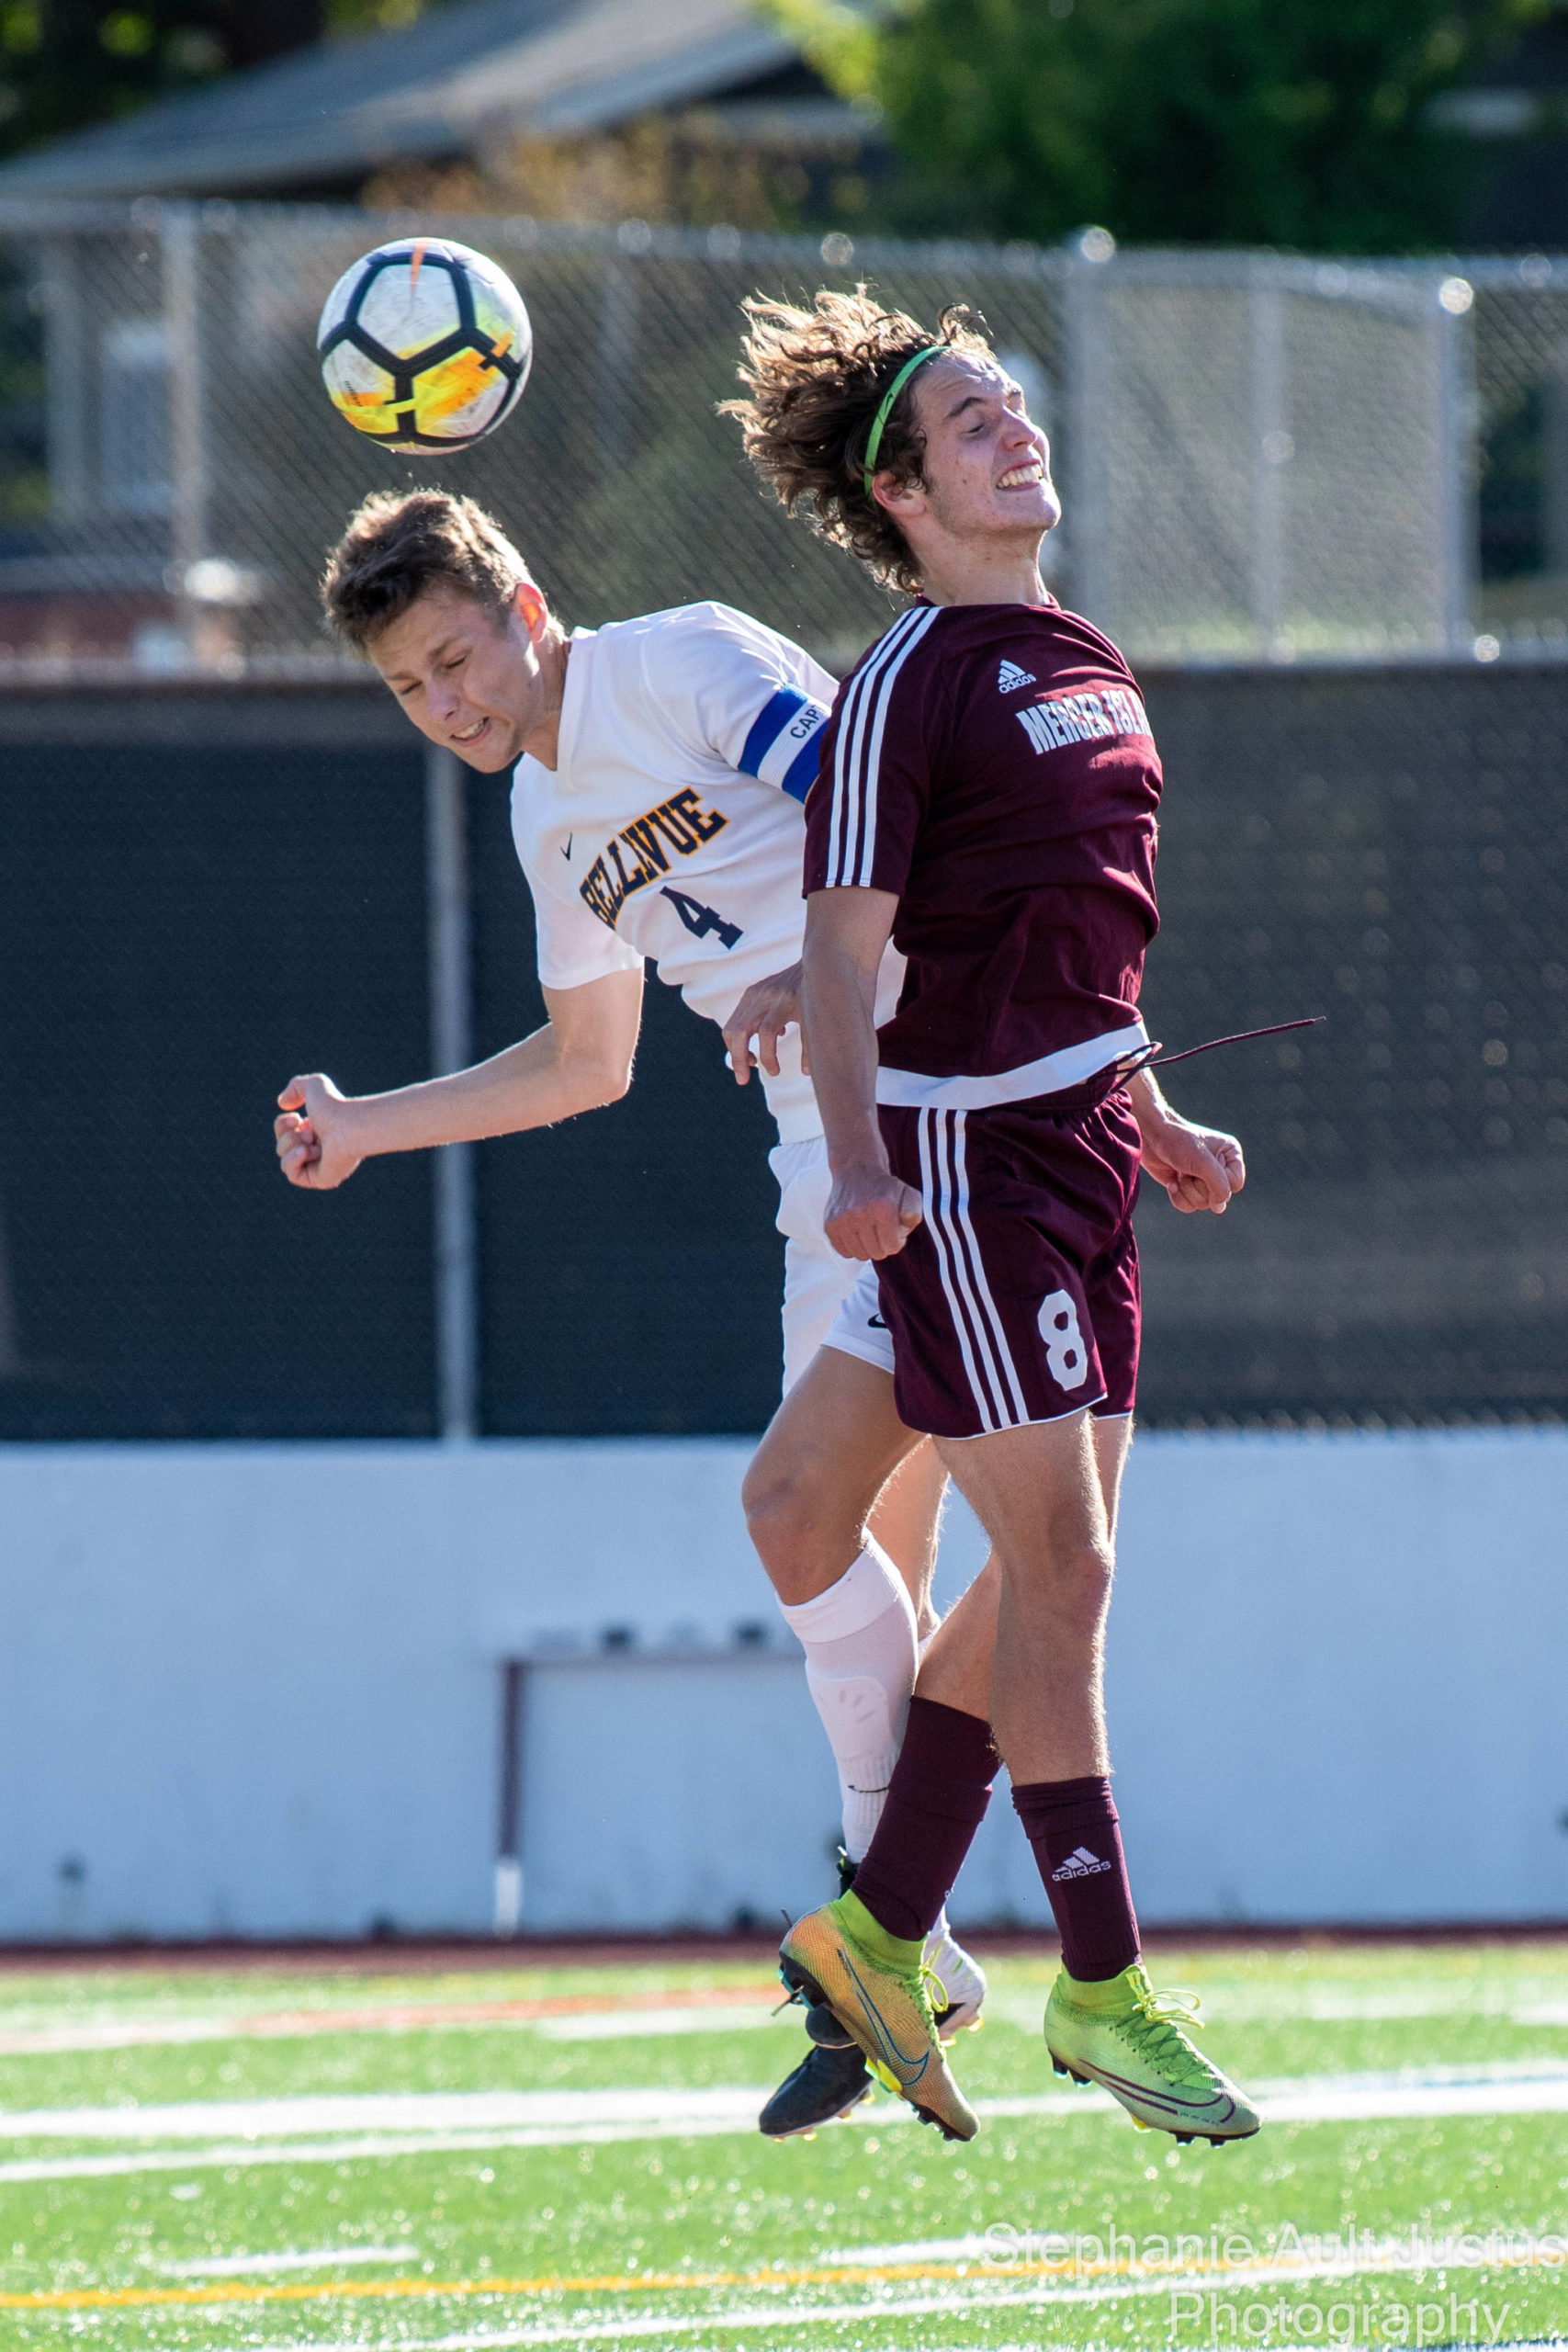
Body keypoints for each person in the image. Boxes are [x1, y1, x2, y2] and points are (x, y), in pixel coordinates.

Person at [271, 489, 987, 2124]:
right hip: (824, 1162)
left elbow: (888, 815)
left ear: (527, 604)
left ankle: (919, 1932)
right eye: (409, 689)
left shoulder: (681, 662)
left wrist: (811, 973)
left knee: (826, 1525)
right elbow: (588, 1067)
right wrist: (369, 1125)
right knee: (851, 1548)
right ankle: (904, 1933)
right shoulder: (542, 821)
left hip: (941, 1094)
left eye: (456, 656)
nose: (446, 703)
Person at [726, 288, 1260, 2145]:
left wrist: (1158, 1111)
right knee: (1070, 1573)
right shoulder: (907, 681)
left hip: (1084, 1155)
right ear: (900, 494)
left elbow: (1076, 946)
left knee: (1052, 1565)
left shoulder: (1084, 653)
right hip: (956, 1172)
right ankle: (1102, 1983)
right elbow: (839, 954)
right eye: (966, 422)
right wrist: (862, 1166)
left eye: (1008, 402)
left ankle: (874, 1934)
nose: (1010, 426)